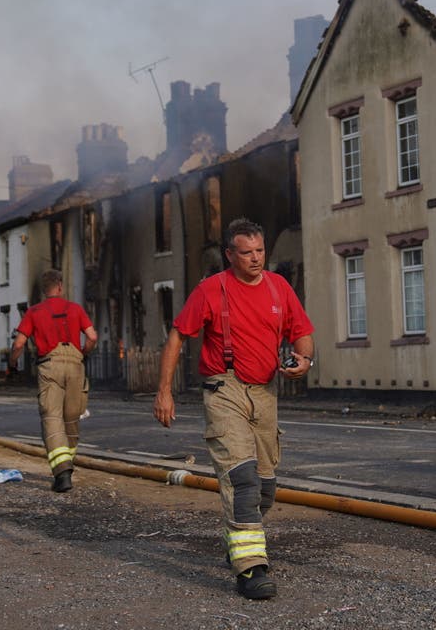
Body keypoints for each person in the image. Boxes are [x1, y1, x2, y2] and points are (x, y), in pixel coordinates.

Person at [153, 218, 315, 600]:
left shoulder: (279, 287)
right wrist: (164, 391)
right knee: (241, 478)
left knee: (265, 486)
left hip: (266, 392)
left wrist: (304, 359)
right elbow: (178, 334)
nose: (256, 259)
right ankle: (251, 568)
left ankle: (239, 538)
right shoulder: (212, 290)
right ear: (230, 254)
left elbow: (302, 332)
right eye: (247, 253)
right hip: (223, 388)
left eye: (260, 251)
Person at [10, 269, 98, 493]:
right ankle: (68, 464)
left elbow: (19, 343)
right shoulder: (75, 309)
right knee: (71, 418)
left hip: (49, 365)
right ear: (60, 286)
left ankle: (62, 474)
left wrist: (12, 364)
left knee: (52, 417)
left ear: (43, 289)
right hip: (76, 365)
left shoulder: (34, 312)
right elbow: (92, 336)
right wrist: (83, 353)